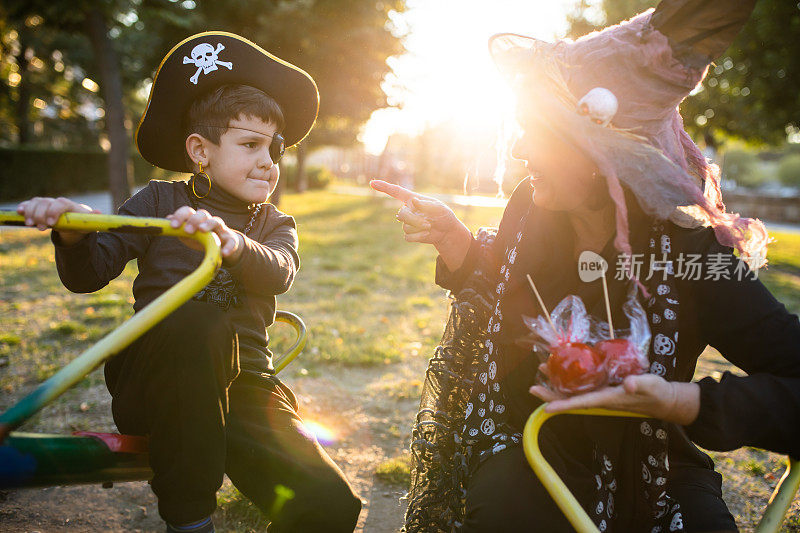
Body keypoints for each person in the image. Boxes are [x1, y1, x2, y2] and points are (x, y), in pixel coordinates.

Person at [372, 1, 800, 531]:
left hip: (655, 462)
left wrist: (682, 401)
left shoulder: (691, 250)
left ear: (606, 155)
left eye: (537, 131)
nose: (521, 150)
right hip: (530, 439)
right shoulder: (529, 208)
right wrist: (461, 248)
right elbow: (509, 310)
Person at [16, 32, 360, 533]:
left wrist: (234, 245)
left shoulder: (273, 224)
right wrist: (72, 233)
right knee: (198, 321)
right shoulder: (158, 201)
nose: (268, 162)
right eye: (250, 145)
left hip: (243, 388)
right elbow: (91, 273)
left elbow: (280, 271)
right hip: (156, 380)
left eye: (275, 149)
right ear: (200, 149)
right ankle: (190, 518)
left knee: (331, 504)